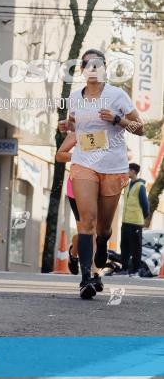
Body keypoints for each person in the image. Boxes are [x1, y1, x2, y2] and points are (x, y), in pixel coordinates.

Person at [58, 48, 144, 299]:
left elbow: (140, 129)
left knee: (104, 229)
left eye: (97, 64)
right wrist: (67, 126)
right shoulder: (75, 98)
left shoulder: (117, 96)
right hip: (84, 163)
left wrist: (119, 120)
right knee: (87, 222)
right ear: (82, 69)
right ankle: (86, 278)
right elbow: (74, 125)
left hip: (113, 167)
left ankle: (103, 244)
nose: (92, 68)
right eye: (87, 64)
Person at [56, 130, 102, 291]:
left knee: (95, 233)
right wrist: (77, 157)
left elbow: (127, 154)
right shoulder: (78, 133)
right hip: (77, 188)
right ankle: (87, 268)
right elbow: (59, 155)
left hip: (100, 186)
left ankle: (93, 272)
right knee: (87, 232)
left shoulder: (109, 131)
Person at [120, 162, 149, 276]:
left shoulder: (140, 186)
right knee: (124, 246)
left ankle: (136, 270)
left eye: (128, 170)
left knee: (136, 247)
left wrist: (144, 216)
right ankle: (124, 268)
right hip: (125, 221)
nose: (127, 172)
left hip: (135, 222)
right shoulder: (127, 185)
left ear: (133, 171)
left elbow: (145, 204)